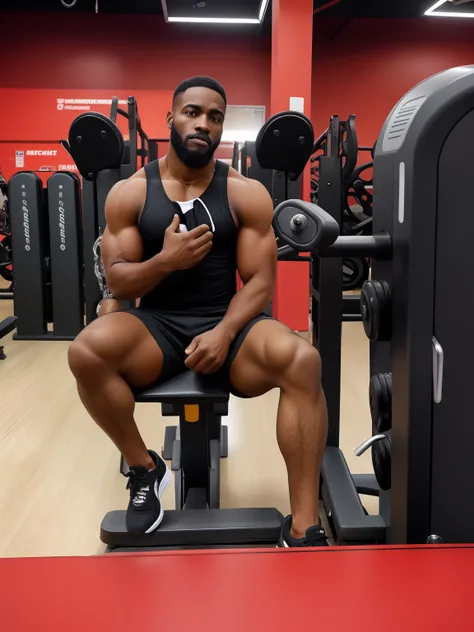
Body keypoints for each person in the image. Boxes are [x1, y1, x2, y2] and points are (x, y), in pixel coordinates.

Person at [68, 76, 329, 547]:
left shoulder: (244, 193)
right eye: (192, 112)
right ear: (171, 118)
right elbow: (119, 280)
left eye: (214, 117)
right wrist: (168, 261)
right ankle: (145, 468)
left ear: (222, 129)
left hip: (230, 324)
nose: (202, 124)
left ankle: (304, 526)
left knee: (303, 361)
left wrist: (226, 332)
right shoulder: (130, 193)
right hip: (158, 327)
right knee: (86, 351)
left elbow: (261, 283)